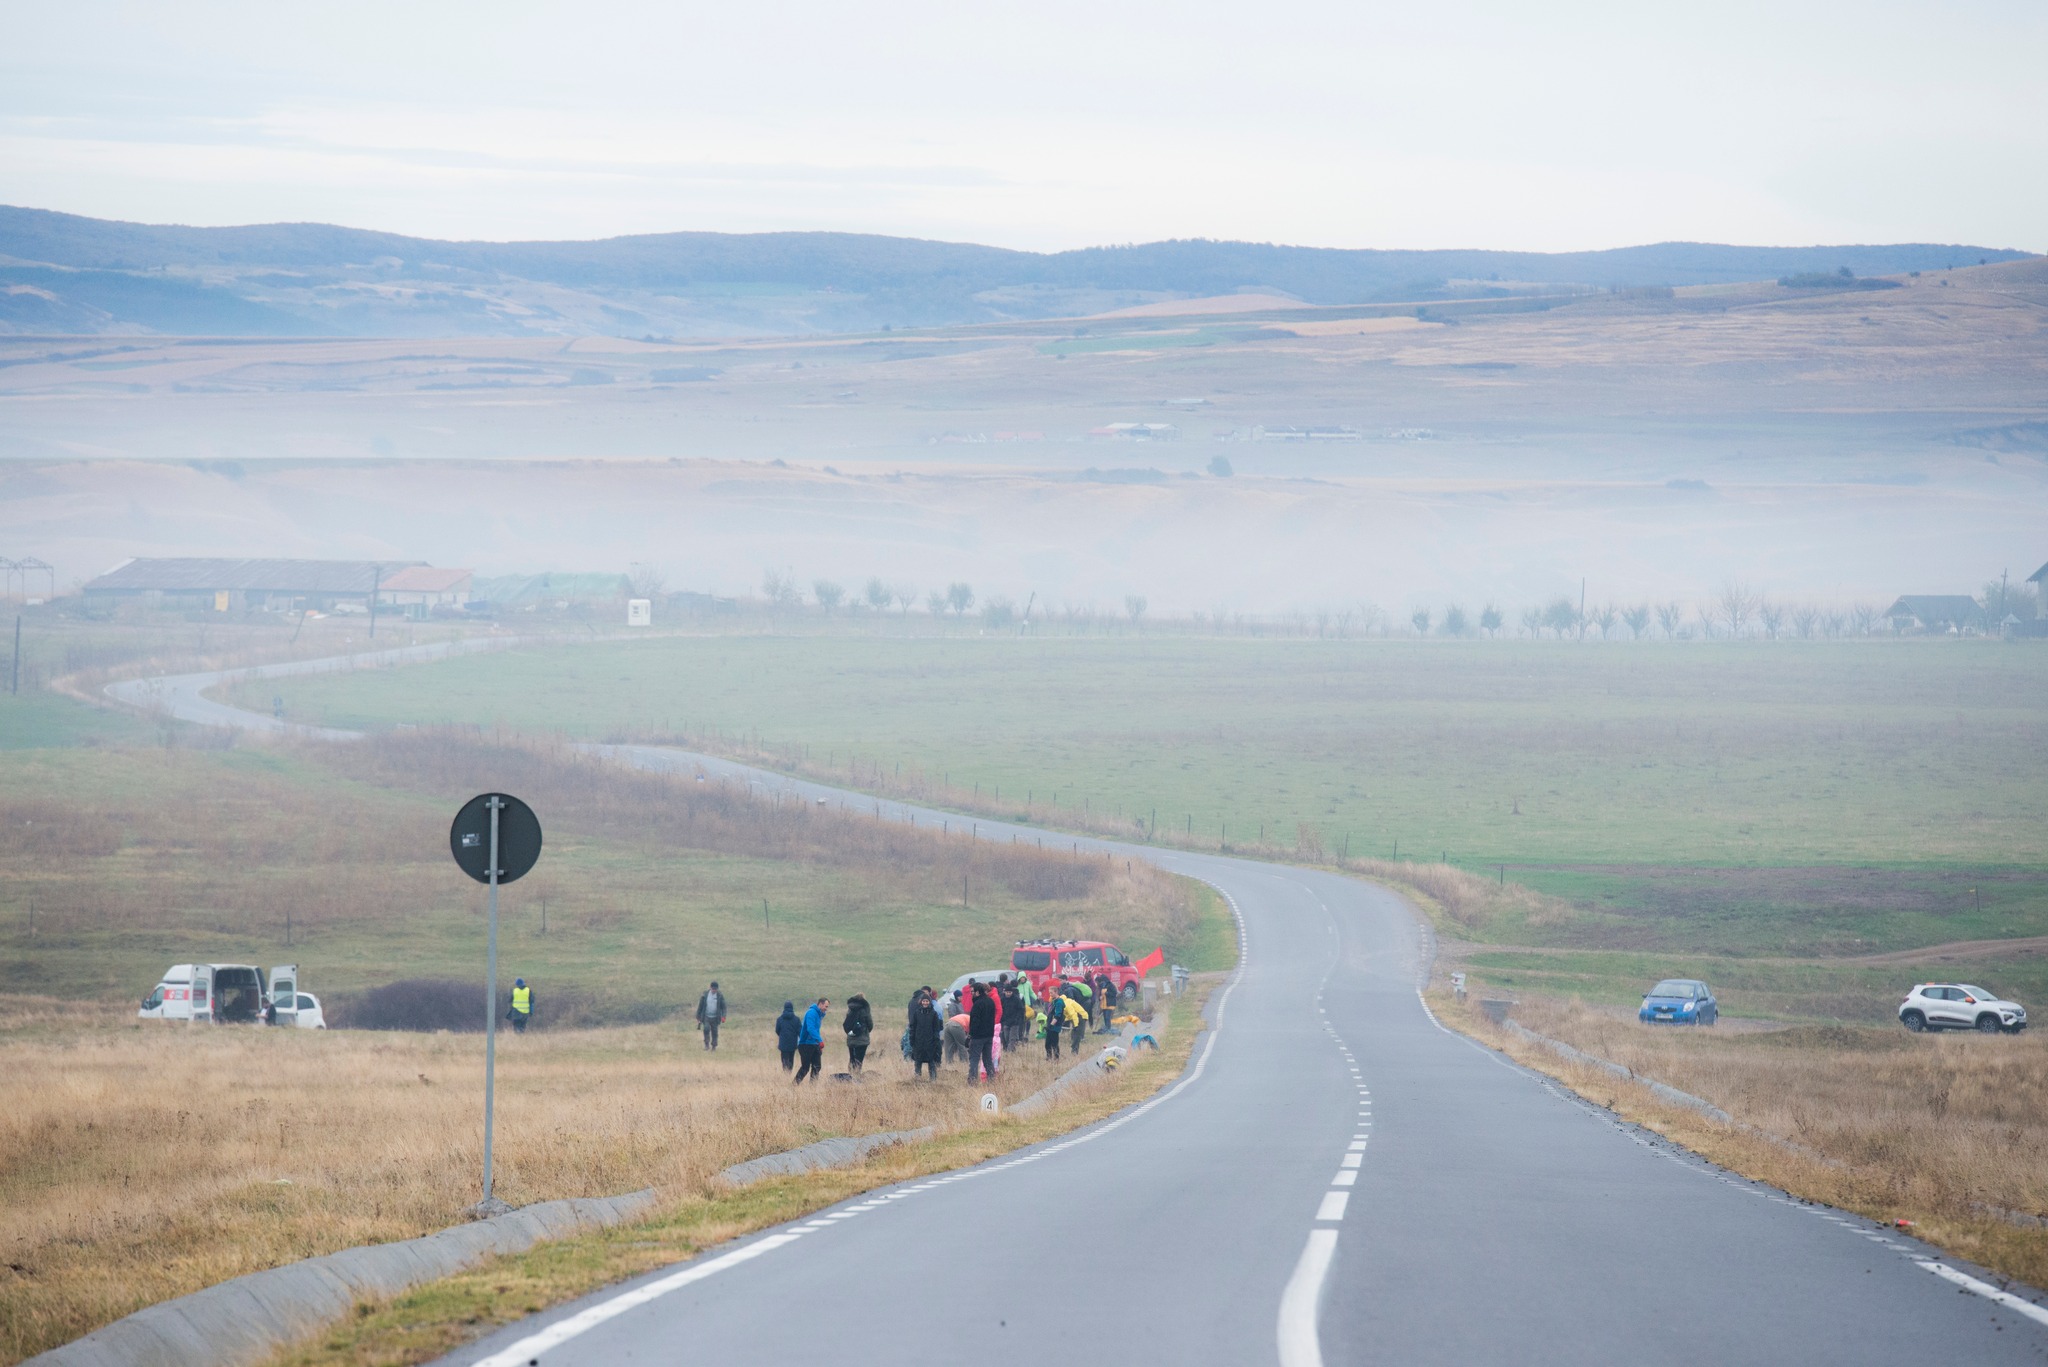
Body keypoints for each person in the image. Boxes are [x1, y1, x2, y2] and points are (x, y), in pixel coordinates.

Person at [966, 981, 998, 1084]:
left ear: (978, 992)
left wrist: (970, 1035)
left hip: (978, 1036)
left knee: (974, 1059)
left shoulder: (977, 1004)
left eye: (972, 992)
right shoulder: (990, 1001)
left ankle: (972, 1081)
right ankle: (991, 1079)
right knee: (987, 1059)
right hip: (989, 1035)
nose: (971, 994)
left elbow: (975, 1022)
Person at [909, 989, 944, 1080]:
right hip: (919, 1041)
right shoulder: (917, 1013)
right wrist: (912, 1039)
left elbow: (937, 1028)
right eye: (924, 1001)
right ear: (921, 1002)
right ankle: (917, 1079)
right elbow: (913, 1027)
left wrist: (936, 1040)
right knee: (918, 1062)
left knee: (931, 1062)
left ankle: (933, 1080)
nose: (925, 1003)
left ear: (929, 1002)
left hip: (930, 1042)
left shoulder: (934, 1014)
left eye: (927, 1001)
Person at [794, 997, 828, 1083]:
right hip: (805, 1043)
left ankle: (813, 1087)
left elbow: (816, 1030)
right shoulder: (811, 1013)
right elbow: (810, 1028)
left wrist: (817, 1042)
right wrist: (820, 1040)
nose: (826, 1009)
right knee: (805, 1067)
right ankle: (794, 1085)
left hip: (813, 1043)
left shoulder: (818, 1015)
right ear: (820, 1004)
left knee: (817, 1066)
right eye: (825, 1006)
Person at [842, 993, 874, 1073]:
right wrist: (866, 1031)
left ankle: (850, 1075)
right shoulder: (864, 1009)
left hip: (851, 1038)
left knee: (852, 1059)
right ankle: (856, 1076)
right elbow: (870, 1024)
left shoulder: (850, 1009)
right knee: (859, 1060)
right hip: (862, 1039)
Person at [695, 981, 727, 1051]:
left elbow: (724, 1007)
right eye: (713, 989)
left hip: (715, 1017)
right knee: (706, 1029)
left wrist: (723, 1016)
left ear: (717, 989)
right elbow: (700, 1006)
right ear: (710, 988)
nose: (714, 990)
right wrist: (698, 1016)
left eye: (715, 989)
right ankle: (706, 1045)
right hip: (706, 1016)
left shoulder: (720, 996)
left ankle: (714, 1046)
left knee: (714, 1032)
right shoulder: (705, 995)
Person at [774, 1000, 801, 1071]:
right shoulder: (797, 1019)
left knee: (784, 1060)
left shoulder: (779, 1019)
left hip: (783, 1043)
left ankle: (785, 1074)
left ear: (784, 1008)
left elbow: (777, 1030)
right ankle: (790, 1072)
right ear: (792, 1008)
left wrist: (782, 1036)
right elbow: (799, 1031)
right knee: (791, 1059)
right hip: (793, 1043)